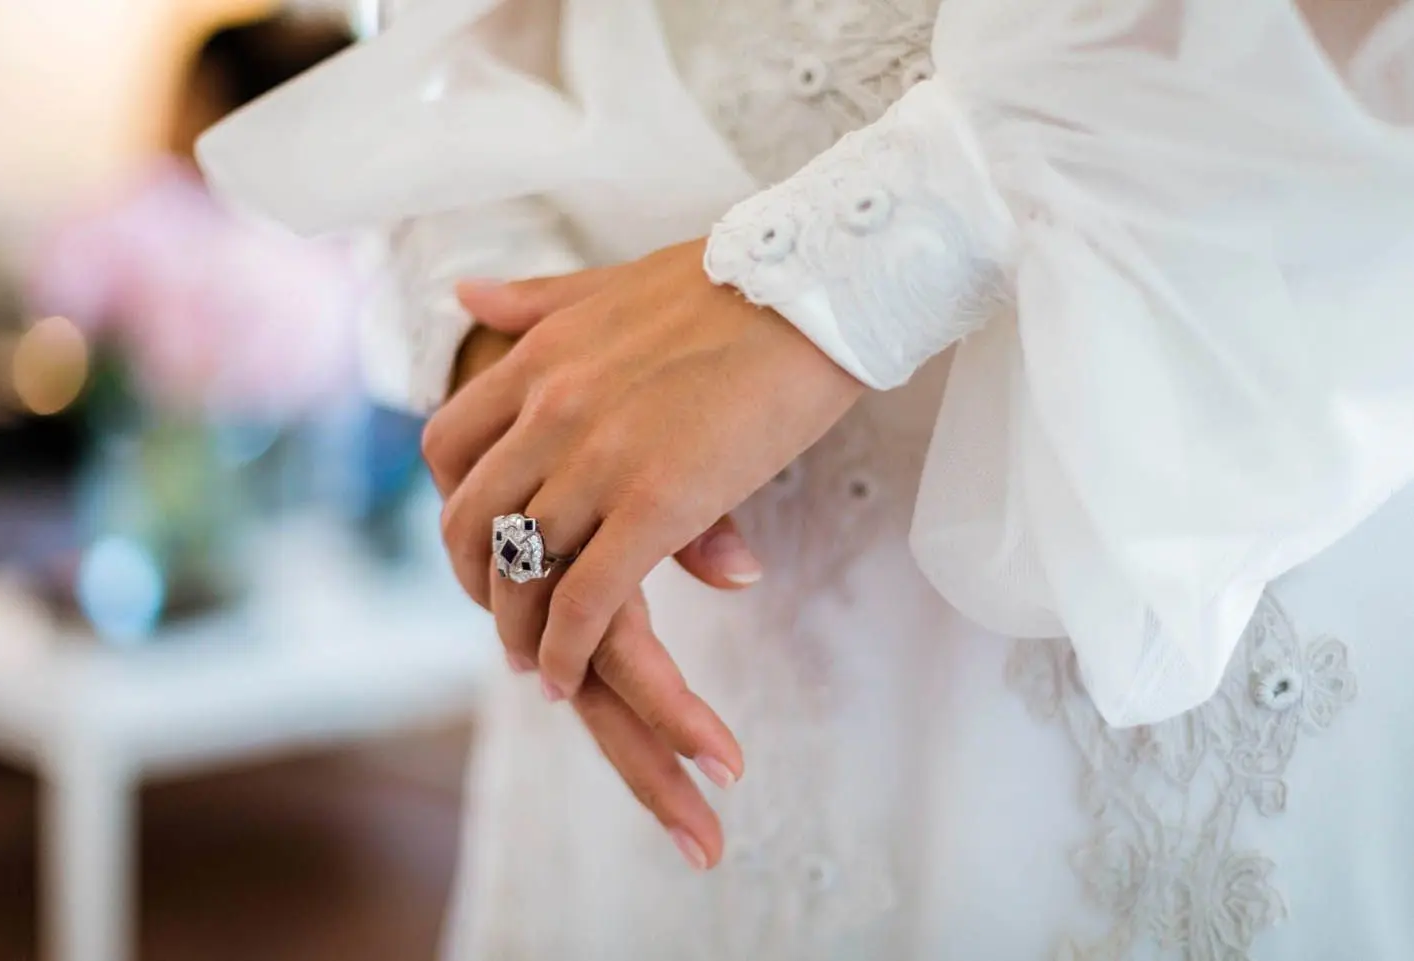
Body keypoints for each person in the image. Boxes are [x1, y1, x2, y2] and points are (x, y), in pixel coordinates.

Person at [198, 0, 1414, 957]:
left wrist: (851, 263)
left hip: (1139, 442)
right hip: (634, 564)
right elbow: (460, 34)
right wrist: (499, 328)